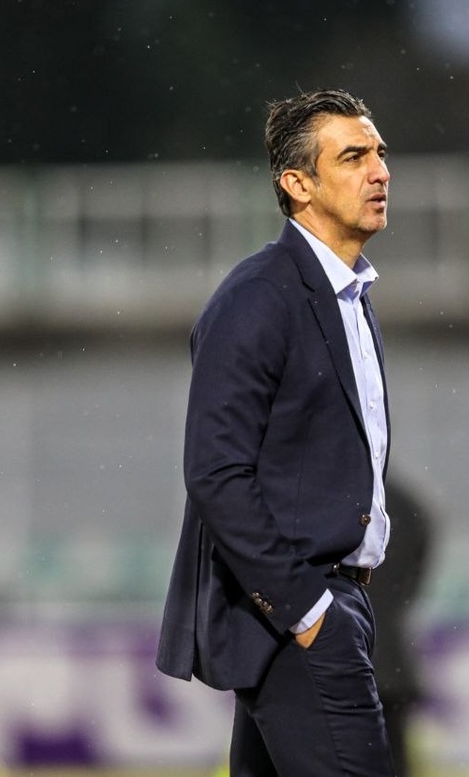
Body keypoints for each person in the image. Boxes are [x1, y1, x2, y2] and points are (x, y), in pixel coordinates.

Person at [155, 88, 396, 776]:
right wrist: (306, 609)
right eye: (353, 157)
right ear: (298, 184)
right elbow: (215, 474)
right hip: (298, 617)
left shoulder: (348, 296)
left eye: (380, 154)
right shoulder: (260, 296)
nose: (379, 172)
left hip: (328, 607)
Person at [365, 477, 435, 777]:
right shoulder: (405, 504)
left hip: (332, 655)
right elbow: (412, 577)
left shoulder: (326, 493)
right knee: (392, 758)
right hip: (388, 659)